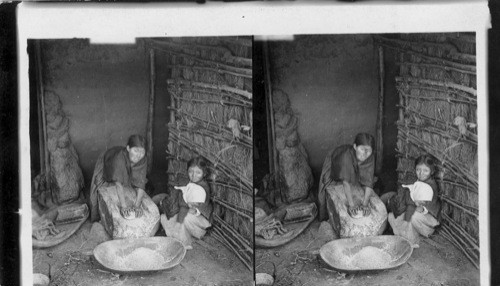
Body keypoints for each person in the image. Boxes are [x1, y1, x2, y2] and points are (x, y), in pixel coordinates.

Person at [383, 154, 441, 247]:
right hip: (418, 213)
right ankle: (404, 236)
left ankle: (412, 240)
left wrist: (407, 206)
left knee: (411, 215)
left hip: (429, 221)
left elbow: (421, 208)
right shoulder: (418, 182)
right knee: (392, 216)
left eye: (425, 170)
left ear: (432, 171)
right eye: (418, 169)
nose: (421, 173)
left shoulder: (431, 186)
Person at [89, 134, 148, 222]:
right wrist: (123, 207)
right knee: (99, 186)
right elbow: (118, 185)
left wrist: (137, 206)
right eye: (136, 150)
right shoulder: (118, 159)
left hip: (124, 162)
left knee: (129, 183)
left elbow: (141, 182)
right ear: (128, 148)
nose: (139, 155)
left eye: (142, 152)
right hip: (108, 159)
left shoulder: (143, 160)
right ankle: (95, 218)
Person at [318, 133, 376, 221]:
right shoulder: (346, 156)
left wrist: (365, 204)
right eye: (362, 149)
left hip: (353, 162)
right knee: (326, 186)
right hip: (335, 159)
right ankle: (323, 218)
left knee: (356, 180)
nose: (365, 153)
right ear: (355, 146)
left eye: (368, 151)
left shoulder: (370, 158)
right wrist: (351, 205)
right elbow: (346, 183)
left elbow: (369, 181)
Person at [160, 156, 213, 249]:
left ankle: (185, 242)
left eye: (198, 173)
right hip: (185, 212)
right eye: (190, 171)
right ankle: (178, 237)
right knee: (165, 218)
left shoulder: (204, 188)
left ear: (204, 174)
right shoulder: (187, 183)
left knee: (185, 217)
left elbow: (204, 206)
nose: (193, 175)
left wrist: (196, 210)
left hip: (199, 221)